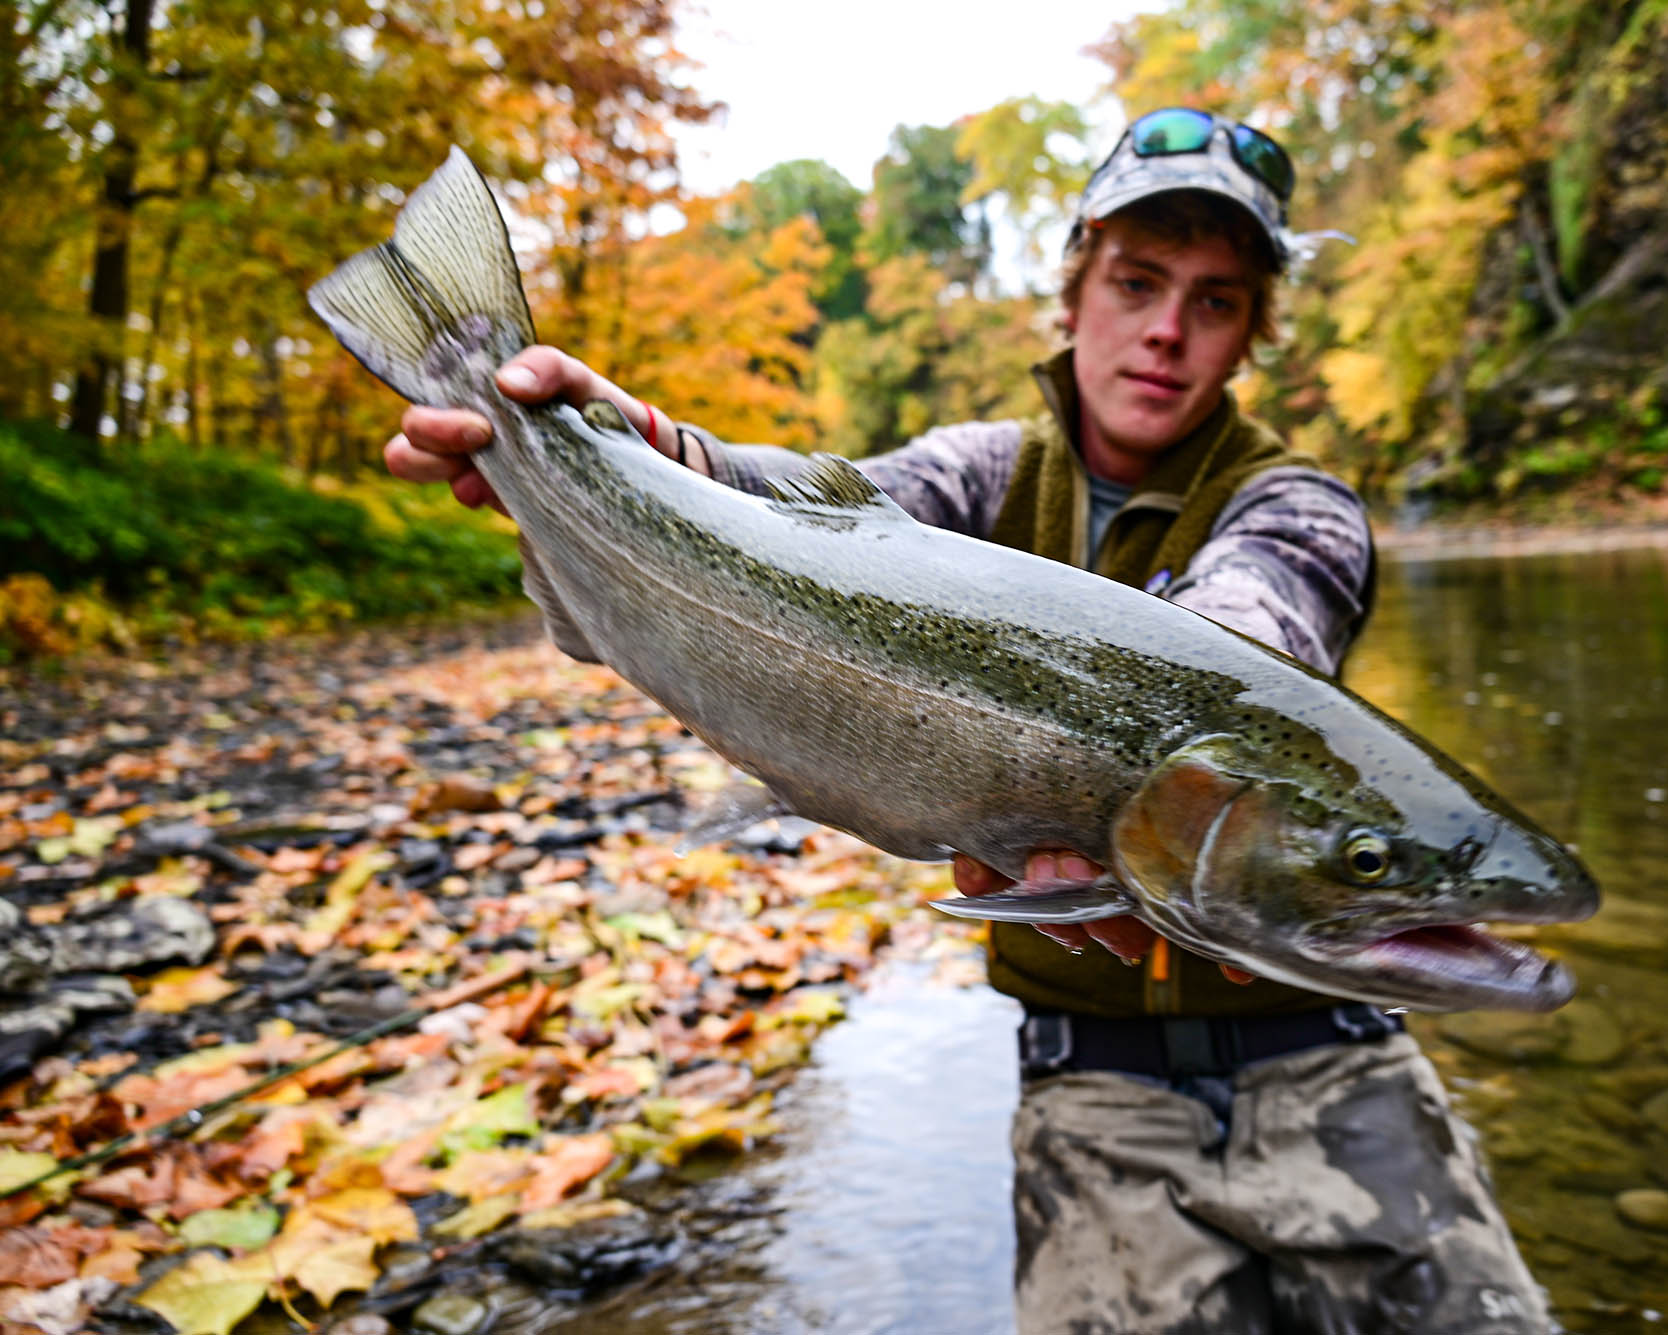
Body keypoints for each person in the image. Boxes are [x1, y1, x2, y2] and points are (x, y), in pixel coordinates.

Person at [386, 107, 1550, 1334]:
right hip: (1093, 1082)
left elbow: (1250, 639)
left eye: (1214, 302)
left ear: (1251, 333)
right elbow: (815, 525)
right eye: (1137, 282)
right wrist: (636, 454)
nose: (1165, 329)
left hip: (1335, 1052)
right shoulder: (976, 476)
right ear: (1073, 292)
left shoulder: (1296, 502)